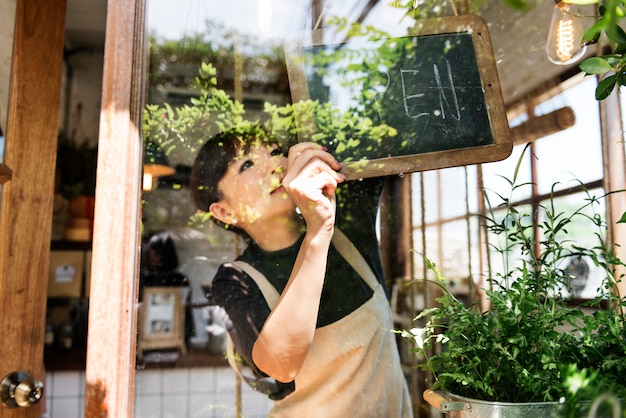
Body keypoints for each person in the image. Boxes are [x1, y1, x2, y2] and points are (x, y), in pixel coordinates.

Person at [190, 125, 412, 417]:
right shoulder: (236, 280)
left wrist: (321, 152)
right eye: (247, 164)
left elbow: (388, 131)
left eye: (275, 152)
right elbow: (281, 364)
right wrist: (318, 231)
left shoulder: (344, 219)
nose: (275, 166)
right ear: (224, 212)